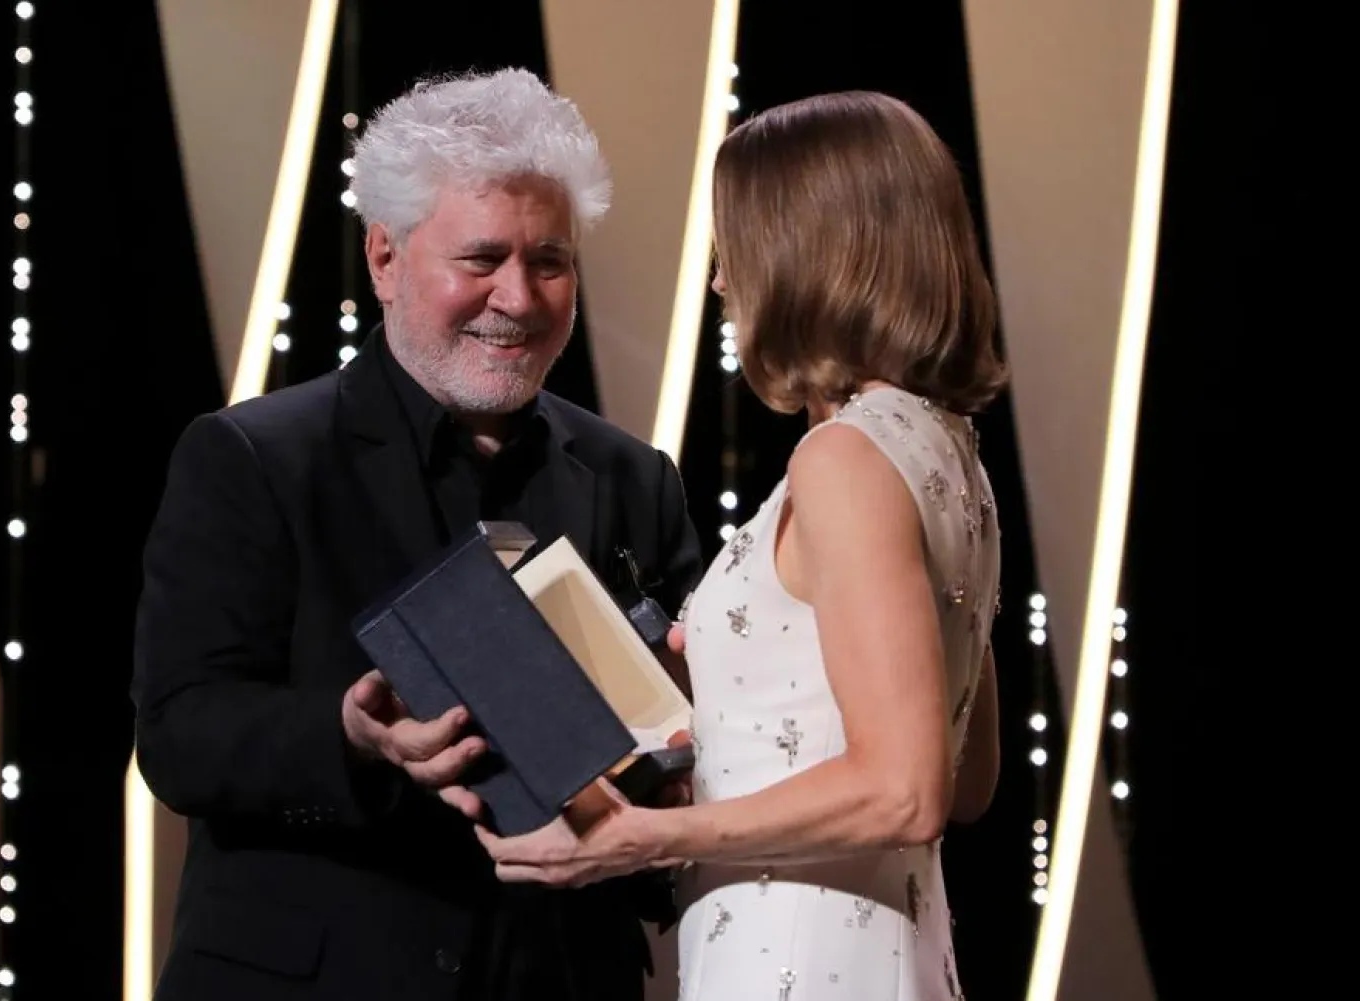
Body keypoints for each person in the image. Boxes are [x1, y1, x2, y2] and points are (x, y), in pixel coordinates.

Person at [130, 68, 703, 1001]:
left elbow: (681, 731)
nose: (517, 296)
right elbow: (180, 730)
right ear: (385, 259)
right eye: (480, 260)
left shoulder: (635, 477)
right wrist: (347, 735)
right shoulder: (253, 456)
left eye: (549, 260)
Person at [443, 91, 1007, 1000]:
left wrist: (646, 836)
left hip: (799, 951)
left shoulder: (846, 460)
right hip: (879, 941)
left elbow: (909, 789)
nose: (719, 280)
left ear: (811, 253)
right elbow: (964, 774)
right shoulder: (951, 456)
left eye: (736, 243)